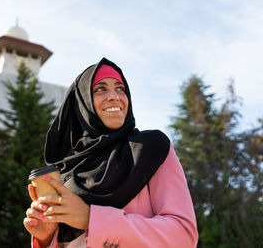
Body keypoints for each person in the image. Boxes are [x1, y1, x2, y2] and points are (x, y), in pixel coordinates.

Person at [23, 57, 198, 248]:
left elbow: (183, 236)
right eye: (100, 89)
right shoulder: (66, 172)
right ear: (83, 103)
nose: (115, 96)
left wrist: (92, 219)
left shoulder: (150, 149)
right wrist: (46, 239)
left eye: (120, 88)